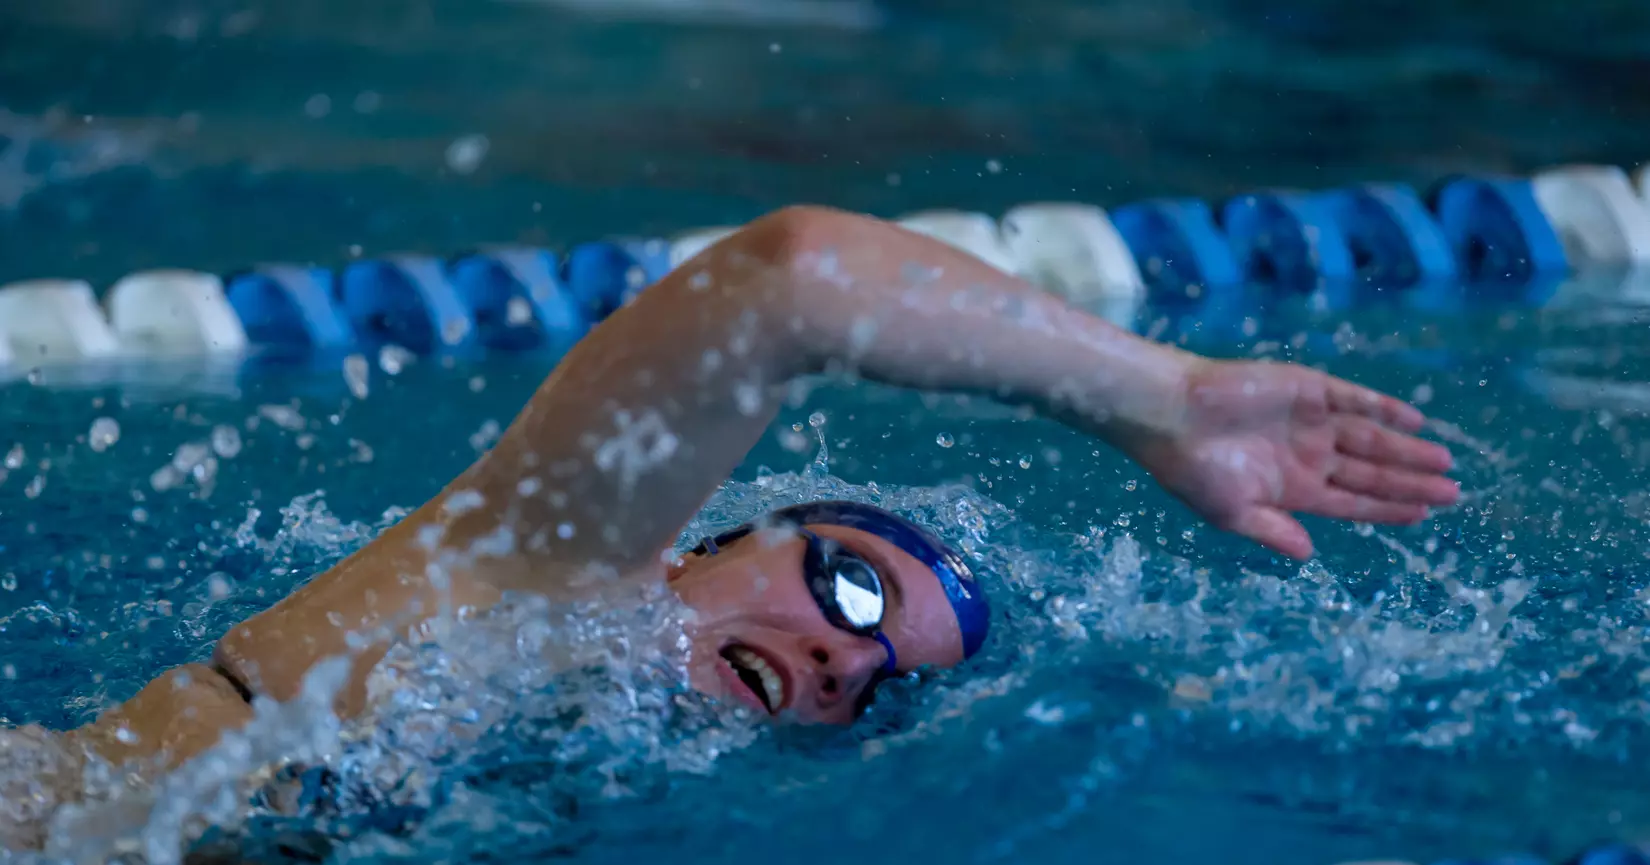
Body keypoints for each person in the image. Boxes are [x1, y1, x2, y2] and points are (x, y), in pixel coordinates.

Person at [39, 205, 1459, 779]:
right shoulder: (543, 570)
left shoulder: (559, 773)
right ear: (697, 543)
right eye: (851, 584)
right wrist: (1165, 397)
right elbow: (791, 276)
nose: (848, 652)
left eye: (879, 681)